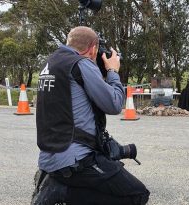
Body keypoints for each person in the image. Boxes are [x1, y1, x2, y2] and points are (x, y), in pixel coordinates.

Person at [33, 26, 150, 204]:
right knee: (137, 195)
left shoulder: (51, 63)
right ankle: (62, 192)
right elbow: (114, 104)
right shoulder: (81, 63)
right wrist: (112, 72)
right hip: (76, 159)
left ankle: (60, 187)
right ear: (93, 48)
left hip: (48, 156)